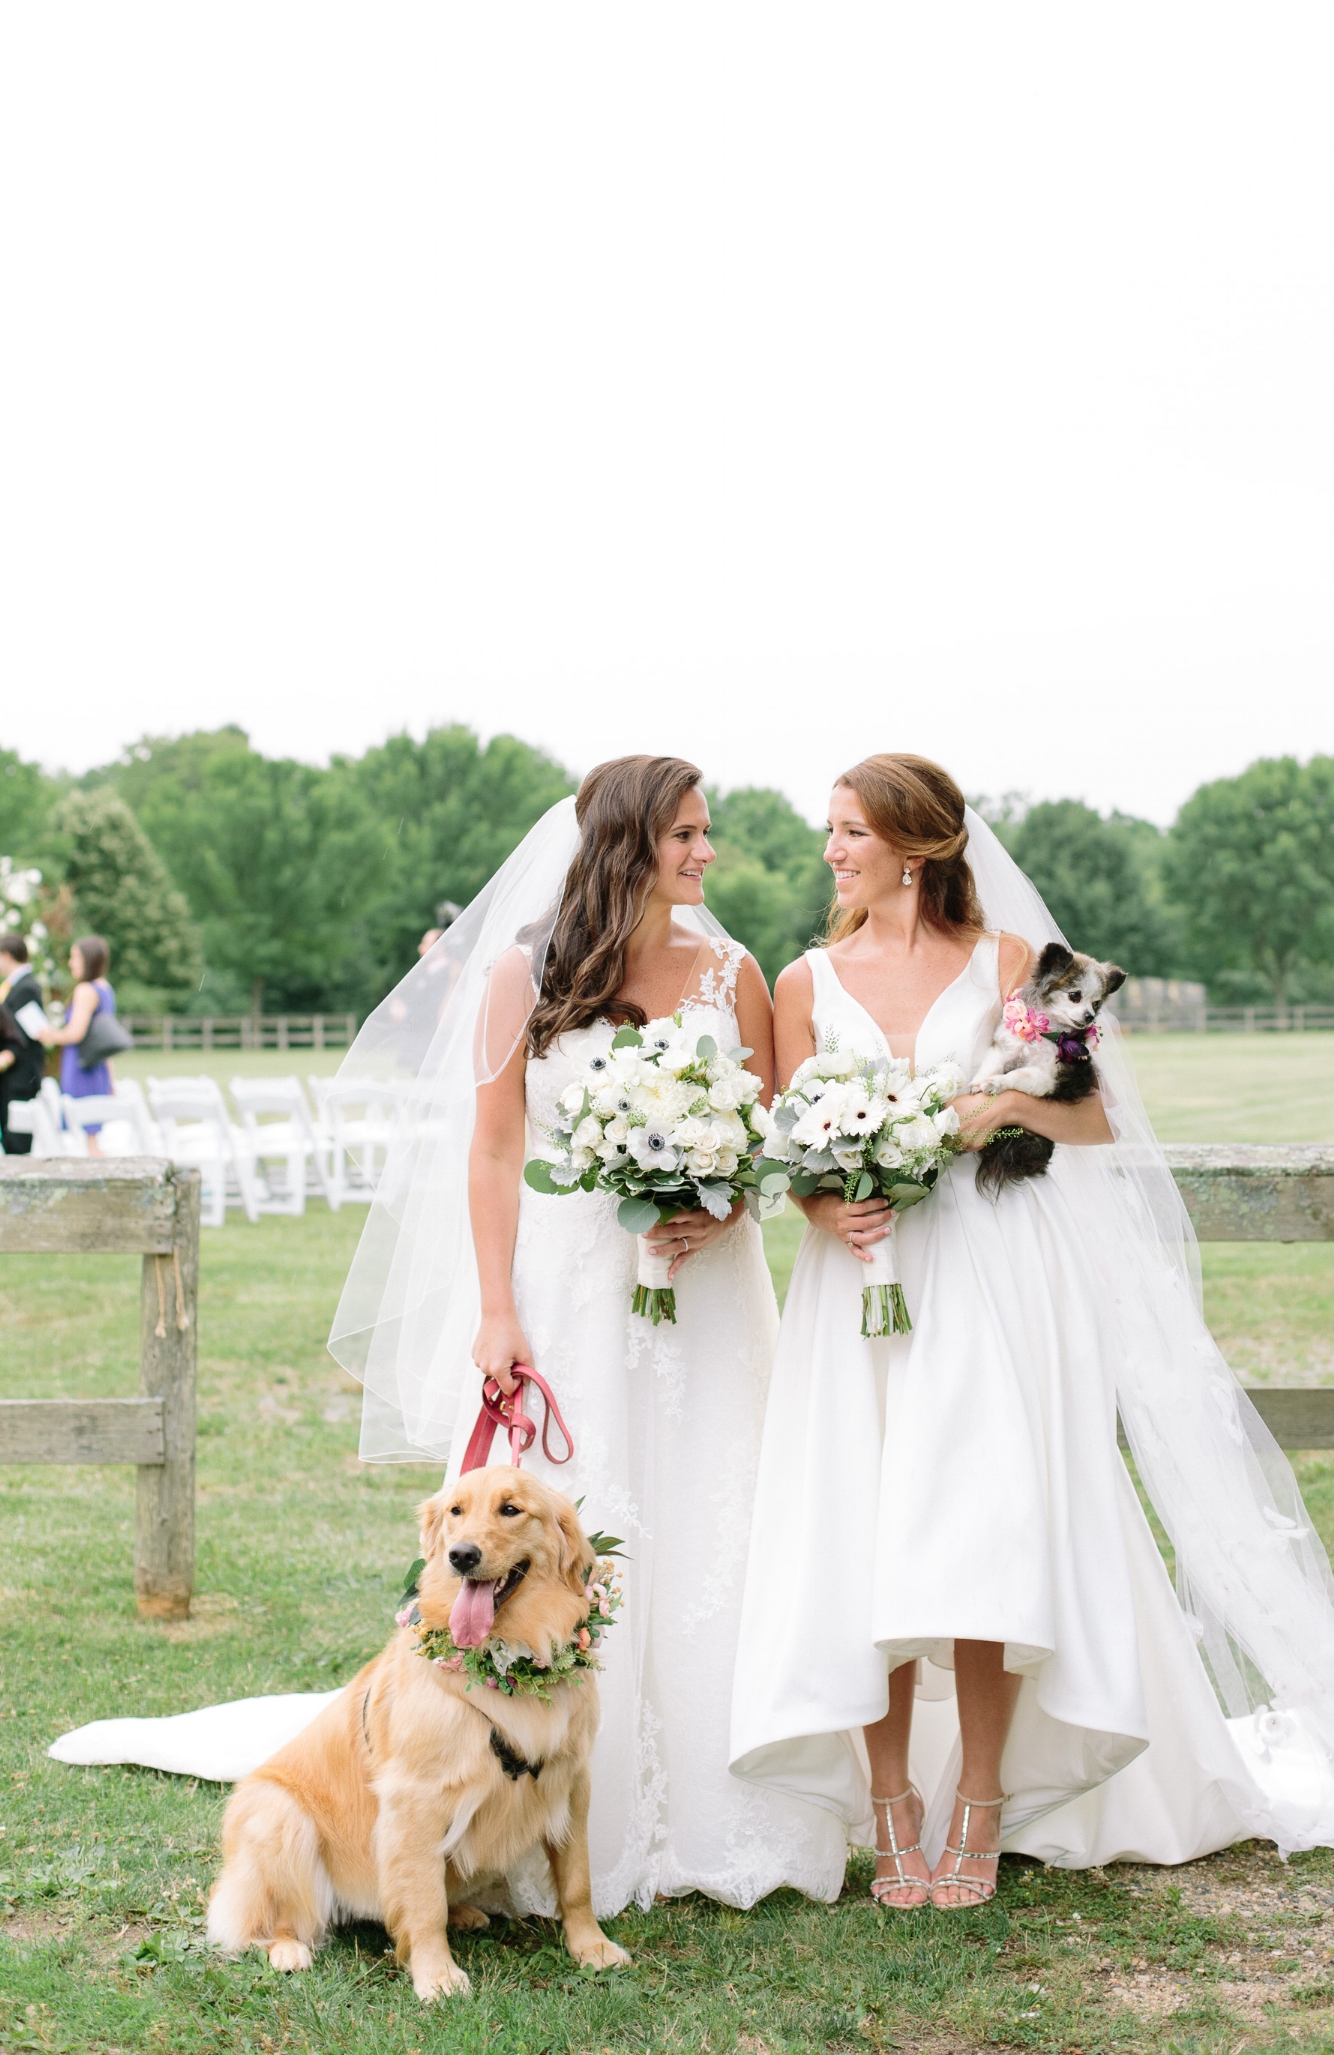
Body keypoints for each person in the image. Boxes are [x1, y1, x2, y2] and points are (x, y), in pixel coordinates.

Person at [55, 760, 845, 1921]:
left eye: (706, 832)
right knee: (568, 1523)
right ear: (628, 841)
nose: (707, 852)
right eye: (687, 832)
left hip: (710, 1290)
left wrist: (719, 1204)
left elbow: (769, 1133)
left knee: (716, 1509)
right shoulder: (525, 971)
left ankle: (728, 1807)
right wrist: (494, 1308)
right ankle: (532, 1814)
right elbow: (489, 1149)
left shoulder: (735, 976)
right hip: (571, 1281)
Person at [728, 753, 1334, 1898]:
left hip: (989, 1271)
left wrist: (989, 1106)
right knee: (866, 1530)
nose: (833, 849)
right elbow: (785, 1139)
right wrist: (830, 1200)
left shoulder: (1010, 966)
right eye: (830, 829)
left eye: (852, 830)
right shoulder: (802, 980)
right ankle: (889, 1803)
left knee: (979, 1529)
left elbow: (1088, 1119)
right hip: (859, 1279)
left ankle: (981, 1800)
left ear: (920, 846)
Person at [37, 938, 117, 1154]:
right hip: (98, 1067)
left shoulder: (86, 990)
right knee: (92, 1135)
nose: (71, 963)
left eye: (75, 958)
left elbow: (76, 1033)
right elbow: (105, 1040)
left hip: (82, 1068)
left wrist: (50, 1035)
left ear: (88, 960)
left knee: (84, 1135)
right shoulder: (105, 988)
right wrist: (111, 1078)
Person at [0, 935, 48, 1155]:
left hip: (20, 1078)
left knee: (17, 1144)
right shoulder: (14, 986)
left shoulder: (26, 988)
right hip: (11, 1077)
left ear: (6, 955)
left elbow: (31, 1035)